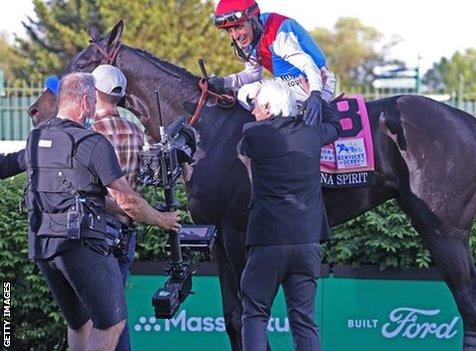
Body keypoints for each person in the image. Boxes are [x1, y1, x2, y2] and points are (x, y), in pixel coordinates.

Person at [24, 72, 181, 350]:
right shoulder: (93, 142)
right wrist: (162, 220)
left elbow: (11, 165)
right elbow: (127, 201)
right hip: (84, 244)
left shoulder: (37, 137)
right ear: (85, 100)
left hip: (43, 247)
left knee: (80, 323)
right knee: (111, 323)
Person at [237, 80, 341, 351]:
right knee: (304, 321)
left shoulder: (254, 134)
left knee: (256, 315)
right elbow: (336, 126)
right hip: (307, 243)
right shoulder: (311, 132)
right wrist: (316, 96)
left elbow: (242, 151)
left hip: (267, 243)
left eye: (256, 105)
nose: (252, 111)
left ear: (269, 107)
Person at [210, 0, 336, 126]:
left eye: (239, 27)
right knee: (245, 93)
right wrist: (223, 82)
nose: (235, 36)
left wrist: (315, 94)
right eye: (229, 30)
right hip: (289, 83)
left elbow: (308, 64)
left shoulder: (277, 33)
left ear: (253, 21)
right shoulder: (250, 38)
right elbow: (252, 75)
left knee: (259, 94)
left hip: (317, 81)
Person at [90, 64, 145, 351]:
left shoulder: (89, 132)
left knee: (99, 316)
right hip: (127, 230)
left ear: (95, 93)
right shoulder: (136, 131)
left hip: (96, 230)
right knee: (116, 306)